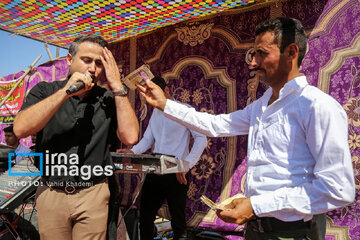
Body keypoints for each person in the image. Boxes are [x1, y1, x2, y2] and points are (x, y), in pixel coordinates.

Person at [136, 18, 355, 239]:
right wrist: (165, 104)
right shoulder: (261, 106)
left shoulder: (317, 106)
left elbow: (338, 189)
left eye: (261, 53)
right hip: (255, 229)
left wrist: (257, 205)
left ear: (291, 52)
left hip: (293, 232)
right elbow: (215, 125)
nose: (252, 63)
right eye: (253, 54)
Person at [13, 34, 139, 240]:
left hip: (93, 192)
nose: (93, 68)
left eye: (99, 63)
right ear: (69, 60)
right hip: (52, 192)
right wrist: (65, 93)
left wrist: (117, 87)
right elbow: (20, 129)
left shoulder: (107, 98)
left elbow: (131, 137)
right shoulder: (45, 90)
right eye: (87, 60)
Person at [118, 76, 207, 240]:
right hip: (155, 170)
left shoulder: (184, 110)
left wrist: (186, 165)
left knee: (178, 223)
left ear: (166, 90)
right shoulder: (156, 113)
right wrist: (133, 152)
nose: (152, 98)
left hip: (176, 173)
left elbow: (202, 138)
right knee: (145, 219)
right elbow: (147, 140)